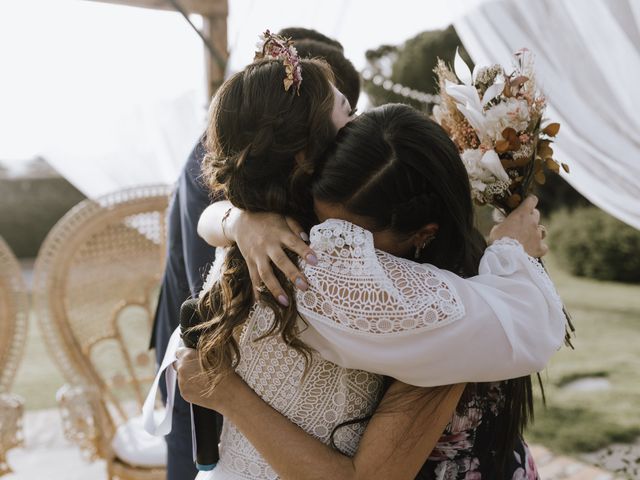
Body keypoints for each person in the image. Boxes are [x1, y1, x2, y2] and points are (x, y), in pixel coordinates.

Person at [154, 34, 564, 478]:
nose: (359, 121)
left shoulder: (260, 229)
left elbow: (210, 219)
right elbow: (527, 327)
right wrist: (512, 249)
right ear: (307, 154)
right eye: (348, 114)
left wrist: (235, 219)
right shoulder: (331, 268)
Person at [148, 28, 361, 480]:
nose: (357, 131)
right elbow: (202, 259)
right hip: (206, 356)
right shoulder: (223, 161)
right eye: (347, 110)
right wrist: (238, 221)